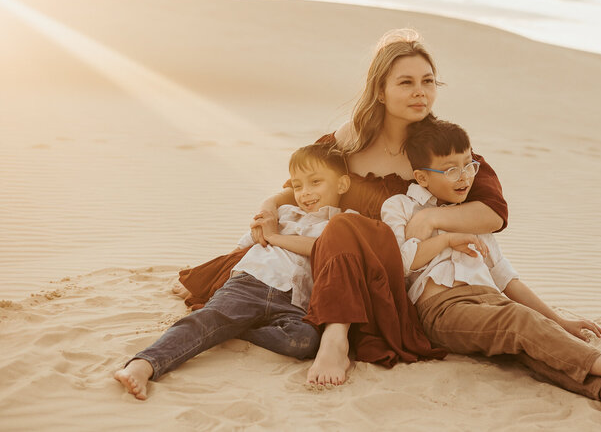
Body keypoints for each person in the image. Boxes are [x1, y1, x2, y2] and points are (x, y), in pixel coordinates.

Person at [177, 29, 506, 385]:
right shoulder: (346, 142)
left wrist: (430, 216)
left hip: (390, 269)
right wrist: (269, 207)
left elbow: (492, 212)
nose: (420, 92)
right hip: (335, 261)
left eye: (428, 81)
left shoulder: (440, 147)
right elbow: (298, 190)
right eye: (406, 82)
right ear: (380, 90)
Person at [380, 118, 601, 415]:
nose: (464, 177)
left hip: (490, 302)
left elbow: (506, 279)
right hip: (442, 311)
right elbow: (404, 262)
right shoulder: (401, 207)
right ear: (422, 177)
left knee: (530, 346)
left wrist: (559, 322)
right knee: (519, 322)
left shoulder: (472, 214)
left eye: (469, 165)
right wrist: (447, 240)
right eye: (450, 170)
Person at [114, 143, 352, 400]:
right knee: (207, 320)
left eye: (315, 182)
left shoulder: (345, 222)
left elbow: (322, 248)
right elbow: (238, 250)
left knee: (304, 341)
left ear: (342, 185)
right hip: (250, 283)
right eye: (297, 186)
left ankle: (233, 328)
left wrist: (274, 237)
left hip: (294, 300)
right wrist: (203, 280)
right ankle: (144, 364)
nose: (305, 193)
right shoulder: (281, 214)